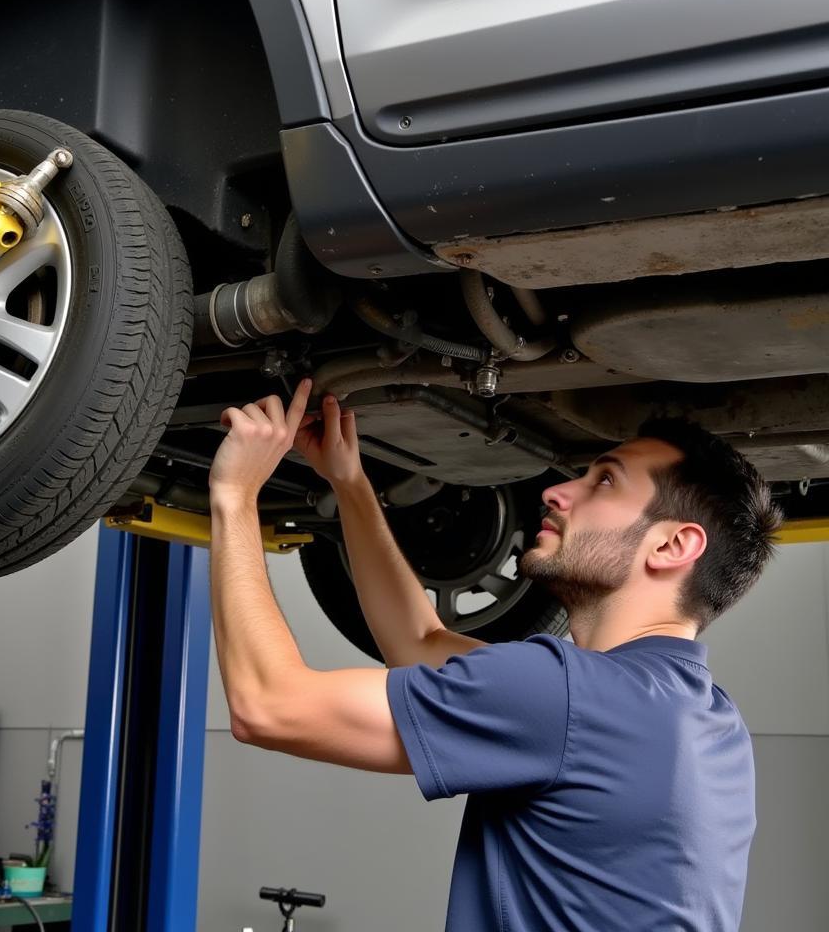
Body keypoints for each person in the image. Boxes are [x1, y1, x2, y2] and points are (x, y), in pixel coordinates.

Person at [208, 377, 782, 932]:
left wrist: (236, 496)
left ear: (673, 544)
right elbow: (422, 645)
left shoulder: (568, 695)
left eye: (604, 482)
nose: (557, 492)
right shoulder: (708, 719)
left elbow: (267, 705)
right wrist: (350, 481)